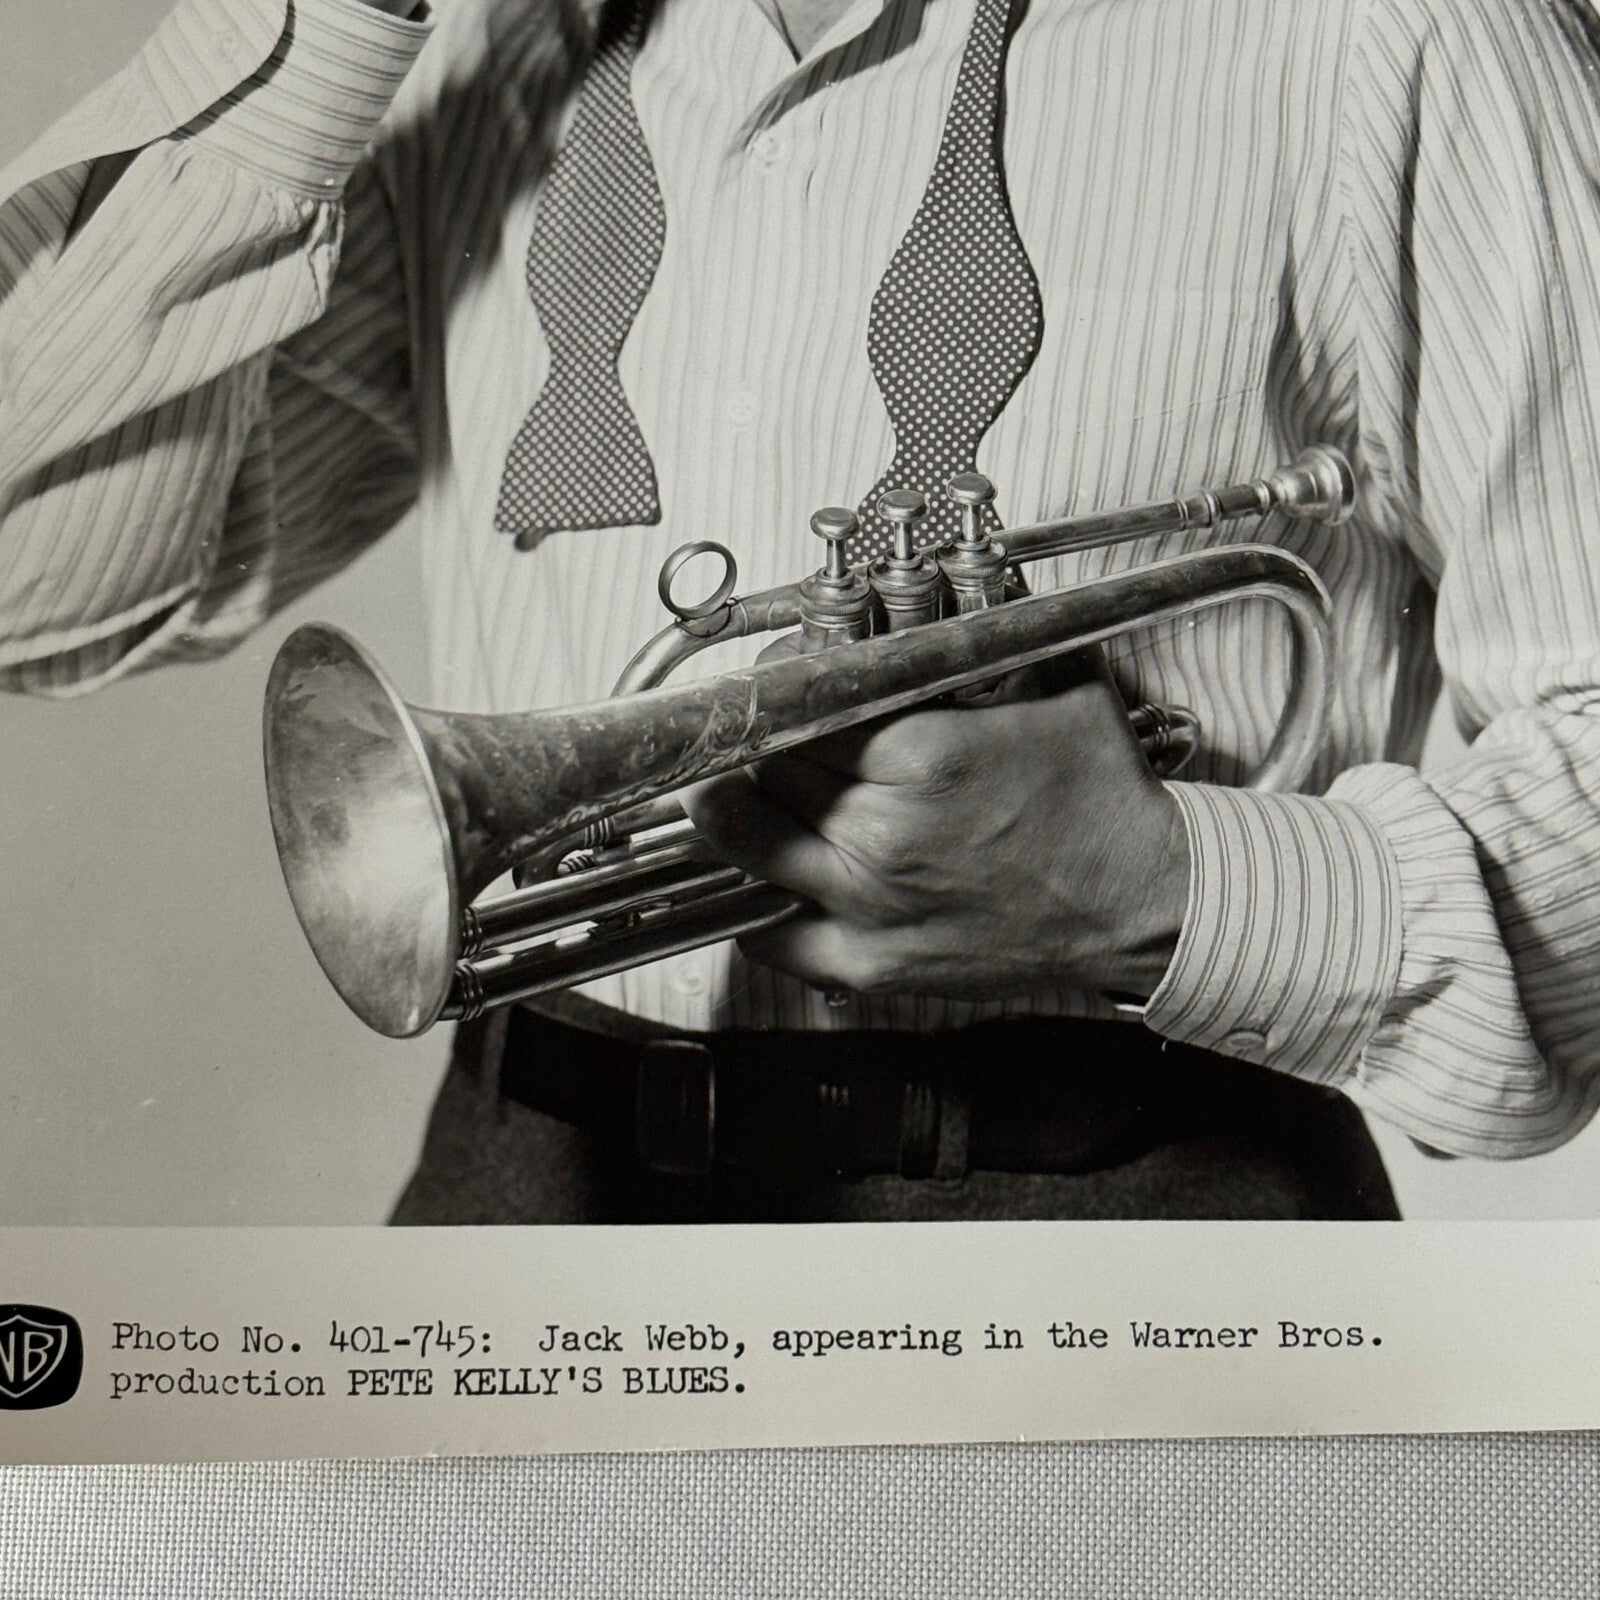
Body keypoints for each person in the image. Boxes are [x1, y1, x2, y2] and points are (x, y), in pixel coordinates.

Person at [3, 0, 1599, 1224]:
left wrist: (1167, 884)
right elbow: (32, 588)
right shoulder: (474, 51)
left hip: (1138, 1198)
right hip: (530, 1180)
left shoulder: (1398, 34)